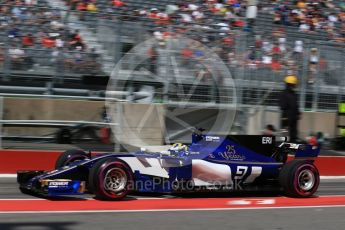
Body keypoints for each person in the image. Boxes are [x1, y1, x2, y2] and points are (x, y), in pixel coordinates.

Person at [279, 75, 300, 142]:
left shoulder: (294, 94)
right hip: (286, 116)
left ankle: (292, 146)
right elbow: (282, 106)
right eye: (294, 84)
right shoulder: (283, 94)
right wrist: (286, 115)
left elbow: (296, 105)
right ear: (290, 84)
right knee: (285, 132)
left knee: (293, 133)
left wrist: (298, 113)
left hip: (293, 117)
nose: (295, 86)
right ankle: (284, 146)